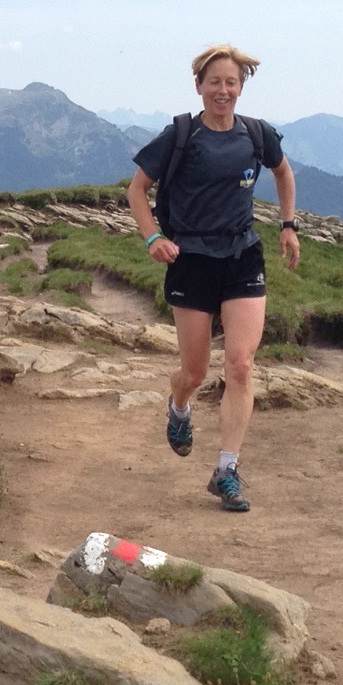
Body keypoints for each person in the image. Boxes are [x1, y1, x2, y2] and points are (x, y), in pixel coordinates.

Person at [125, 44, 300, 512]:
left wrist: (288, 225)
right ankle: (178, 406)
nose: (223, 91)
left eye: (232, 82)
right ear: (199, 85)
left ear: (241, 87)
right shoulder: (180, 135)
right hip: (191, 259)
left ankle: (227, 470)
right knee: (195, 372)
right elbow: (137, 190)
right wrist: (152, 239)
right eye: (214, 82)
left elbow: (283, 172)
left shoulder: (257, 135)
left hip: (242, 254)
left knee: (241, 364)